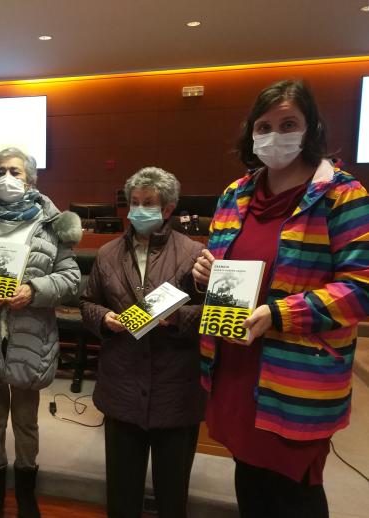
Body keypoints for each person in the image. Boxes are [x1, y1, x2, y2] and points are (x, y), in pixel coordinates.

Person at [192, 79, 369, 518]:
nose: (274, 134)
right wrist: (205, 274)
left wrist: (277, 314)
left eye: (288, 123)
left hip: (297, 378)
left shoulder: (343, 195)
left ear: (311, 129)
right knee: (249, 483)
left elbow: (361, 287)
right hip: (234, 364)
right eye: (264, 125)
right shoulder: (236, 194)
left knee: (294, 494)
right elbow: (223, 265)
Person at [0, 147, 81, 518]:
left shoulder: (52, 224)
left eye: (16, 172)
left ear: (31, 179)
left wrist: (35, 290)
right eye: (2, 170)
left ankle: (25, 493)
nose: (8, 177)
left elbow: (71, 279)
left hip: (30, 337)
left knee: (25, 422)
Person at [80, 167, 205, 518]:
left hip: (175, 389)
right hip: (121, 386)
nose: (139, 210)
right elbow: (87, 302)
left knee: (172, 494)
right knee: (121, 493)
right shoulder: (107, 253)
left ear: (168, 208)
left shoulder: (195, 254)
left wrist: (177, 318)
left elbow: (212, 312)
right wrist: (103, 319)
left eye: (148, 203)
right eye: (134, 203)